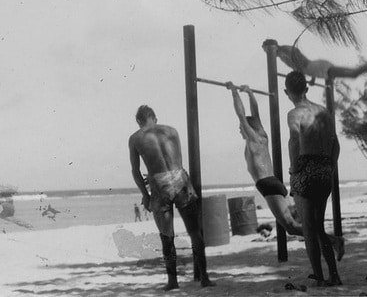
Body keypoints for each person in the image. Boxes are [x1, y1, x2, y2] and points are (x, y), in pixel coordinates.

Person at [225, 82, 343, 261]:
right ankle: (329, 241)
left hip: (268, 186)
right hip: (272, 183)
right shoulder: (261, 135)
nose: (239, 129)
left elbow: (241, 115)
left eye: (242, 128)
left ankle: (334, 240)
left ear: (248, 128)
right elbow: (254, 114)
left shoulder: (254, 138)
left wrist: (234, 92)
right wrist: (250, 93)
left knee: (292, 227)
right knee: (296, 223)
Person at [129, 105, 215, 291]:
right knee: (195, 232)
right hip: (180, 179)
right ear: (155, 118)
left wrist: (145, 194)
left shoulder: (135, 138)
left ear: (138, 121)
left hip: (159, 186)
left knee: (167, 236)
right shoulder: (171, 131)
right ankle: (205, 278)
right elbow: (177, 160)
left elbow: (135, 172)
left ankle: (173, 281)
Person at [284, 71, 342, 286]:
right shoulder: (324, 112)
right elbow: (336, 144)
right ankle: (334, 275)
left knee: (309, 229)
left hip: (305, 168)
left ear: (286, 92)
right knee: (318, 225)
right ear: (307, 89)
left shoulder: (294, 113)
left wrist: (293, 166)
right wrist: (331, 167)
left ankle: (319, 278)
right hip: (325, 168)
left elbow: (293, 140)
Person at [272, 44, 367, 86]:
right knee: (354, 74)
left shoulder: (283, 51)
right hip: (315, 69)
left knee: (354, 74)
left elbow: (301, 63)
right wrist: (312, 78)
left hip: (318, 68)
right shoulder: (282, 55)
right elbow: (301, 64)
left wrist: (303, 76)